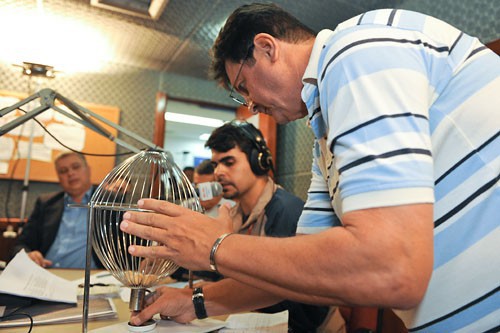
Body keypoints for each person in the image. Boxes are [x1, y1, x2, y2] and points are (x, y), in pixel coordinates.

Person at [120, 4, 500, 332]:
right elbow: (301, 267)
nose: (250, 106)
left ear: (266, 48)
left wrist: (214, 246)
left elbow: (392, 267)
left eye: (244, 87)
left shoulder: (355, 52)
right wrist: (195, 301)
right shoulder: (324, 132)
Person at [137, 121, 329, 331]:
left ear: (259, 162)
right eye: (216, 164)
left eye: (229, 162)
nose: (219, 172)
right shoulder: (232, 214)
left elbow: (279, 289)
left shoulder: (287, 211)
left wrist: (199, 298)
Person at [11, 151, 102, 269]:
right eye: (63, 171)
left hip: (90, 279)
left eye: (76, 167)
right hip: (46, 273)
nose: (70, 173)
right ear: (59, 178)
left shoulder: (111, 202)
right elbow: (21, 245)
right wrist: (28, 255)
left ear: (88, 170)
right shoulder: (46, 203)